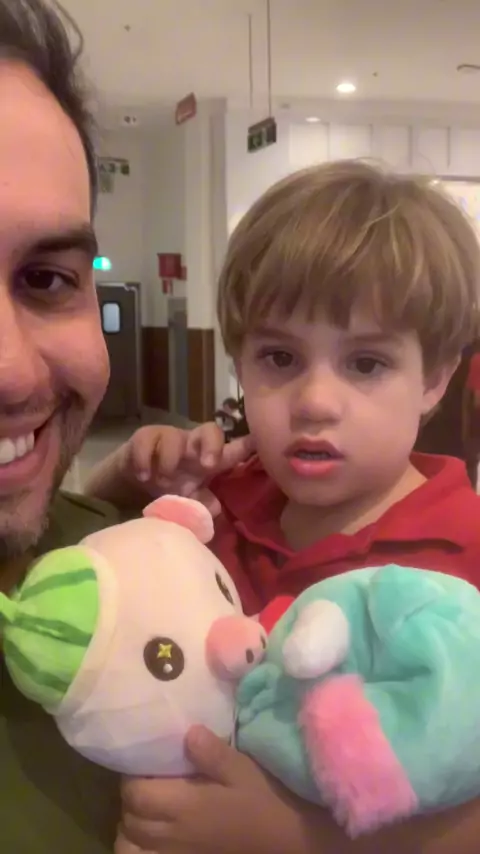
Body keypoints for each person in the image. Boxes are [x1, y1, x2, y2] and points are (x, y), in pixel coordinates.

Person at [88, 161, 480, 853]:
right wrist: (125, 480)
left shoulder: (462, 556)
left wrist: (298, 836)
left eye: (366, 363)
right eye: (279, 357)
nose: (315, 402)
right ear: (240, 363)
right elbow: (92, 576)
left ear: (436, 378)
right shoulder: (226, 501)